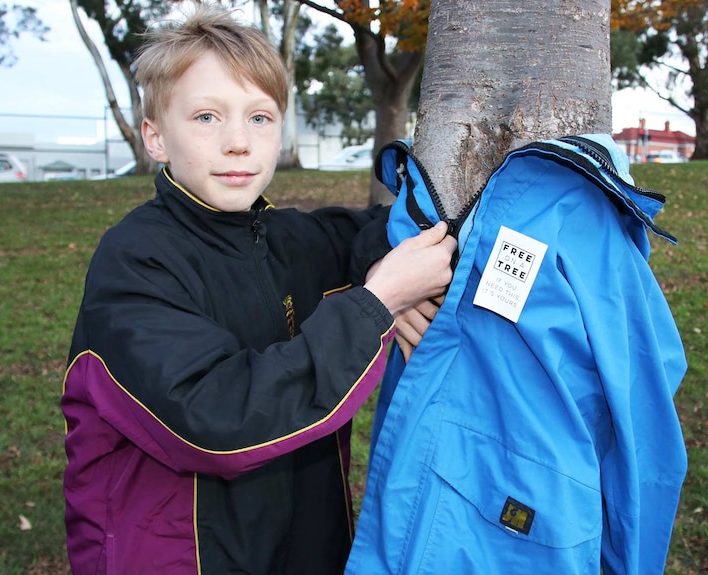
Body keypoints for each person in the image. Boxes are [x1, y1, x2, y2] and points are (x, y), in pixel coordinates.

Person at [60, 4, 457, 574]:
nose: (238, 142)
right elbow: (217, 418)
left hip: (303, 546)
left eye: (260, 117)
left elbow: (362, 236)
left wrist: (417, 254)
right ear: (155, 138)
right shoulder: (134, 262)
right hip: (182, 557)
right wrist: (379, 305)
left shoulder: (282, 236)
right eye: (205, 117)